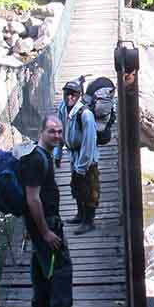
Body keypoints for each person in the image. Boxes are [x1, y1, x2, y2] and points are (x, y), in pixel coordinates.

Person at [18, 113, 82, 307]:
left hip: (39, 222)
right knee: (62, 268)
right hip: (46, 224)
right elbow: (32, 198)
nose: (57, 135)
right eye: (52, 131)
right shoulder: (37, 160)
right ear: (41, 132)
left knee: (40, 263)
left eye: (59, 131)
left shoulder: (42, 154)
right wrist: (45, 231)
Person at [56, 78, 100, 234]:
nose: (69, 97)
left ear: (79, 96)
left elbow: (89, 143)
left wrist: (82, 166)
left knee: (89, 189)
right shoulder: (63, 109)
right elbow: (60, 132)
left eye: (73, 94)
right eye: (67, 94)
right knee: (76, 186)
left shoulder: (85, 115)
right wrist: (58, 153)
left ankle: (89, 222)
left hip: (87, 159)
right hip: (74, 155)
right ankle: (80, 215)